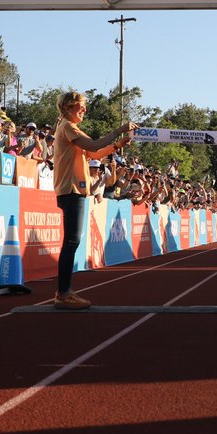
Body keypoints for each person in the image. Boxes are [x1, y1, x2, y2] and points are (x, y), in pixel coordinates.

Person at [51, 90, 136, 309]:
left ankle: (65, 291)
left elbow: (94, 154)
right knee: (71, 242)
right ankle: (63, 293)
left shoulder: (72, 128)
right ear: (68, 107)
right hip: (71, 189)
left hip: (74, 190)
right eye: (81, 106)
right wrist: (119, 130)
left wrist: (117, 145)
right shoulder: (68, 127)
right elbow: (94, 146)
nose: (84, 110)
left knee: (72, 241)